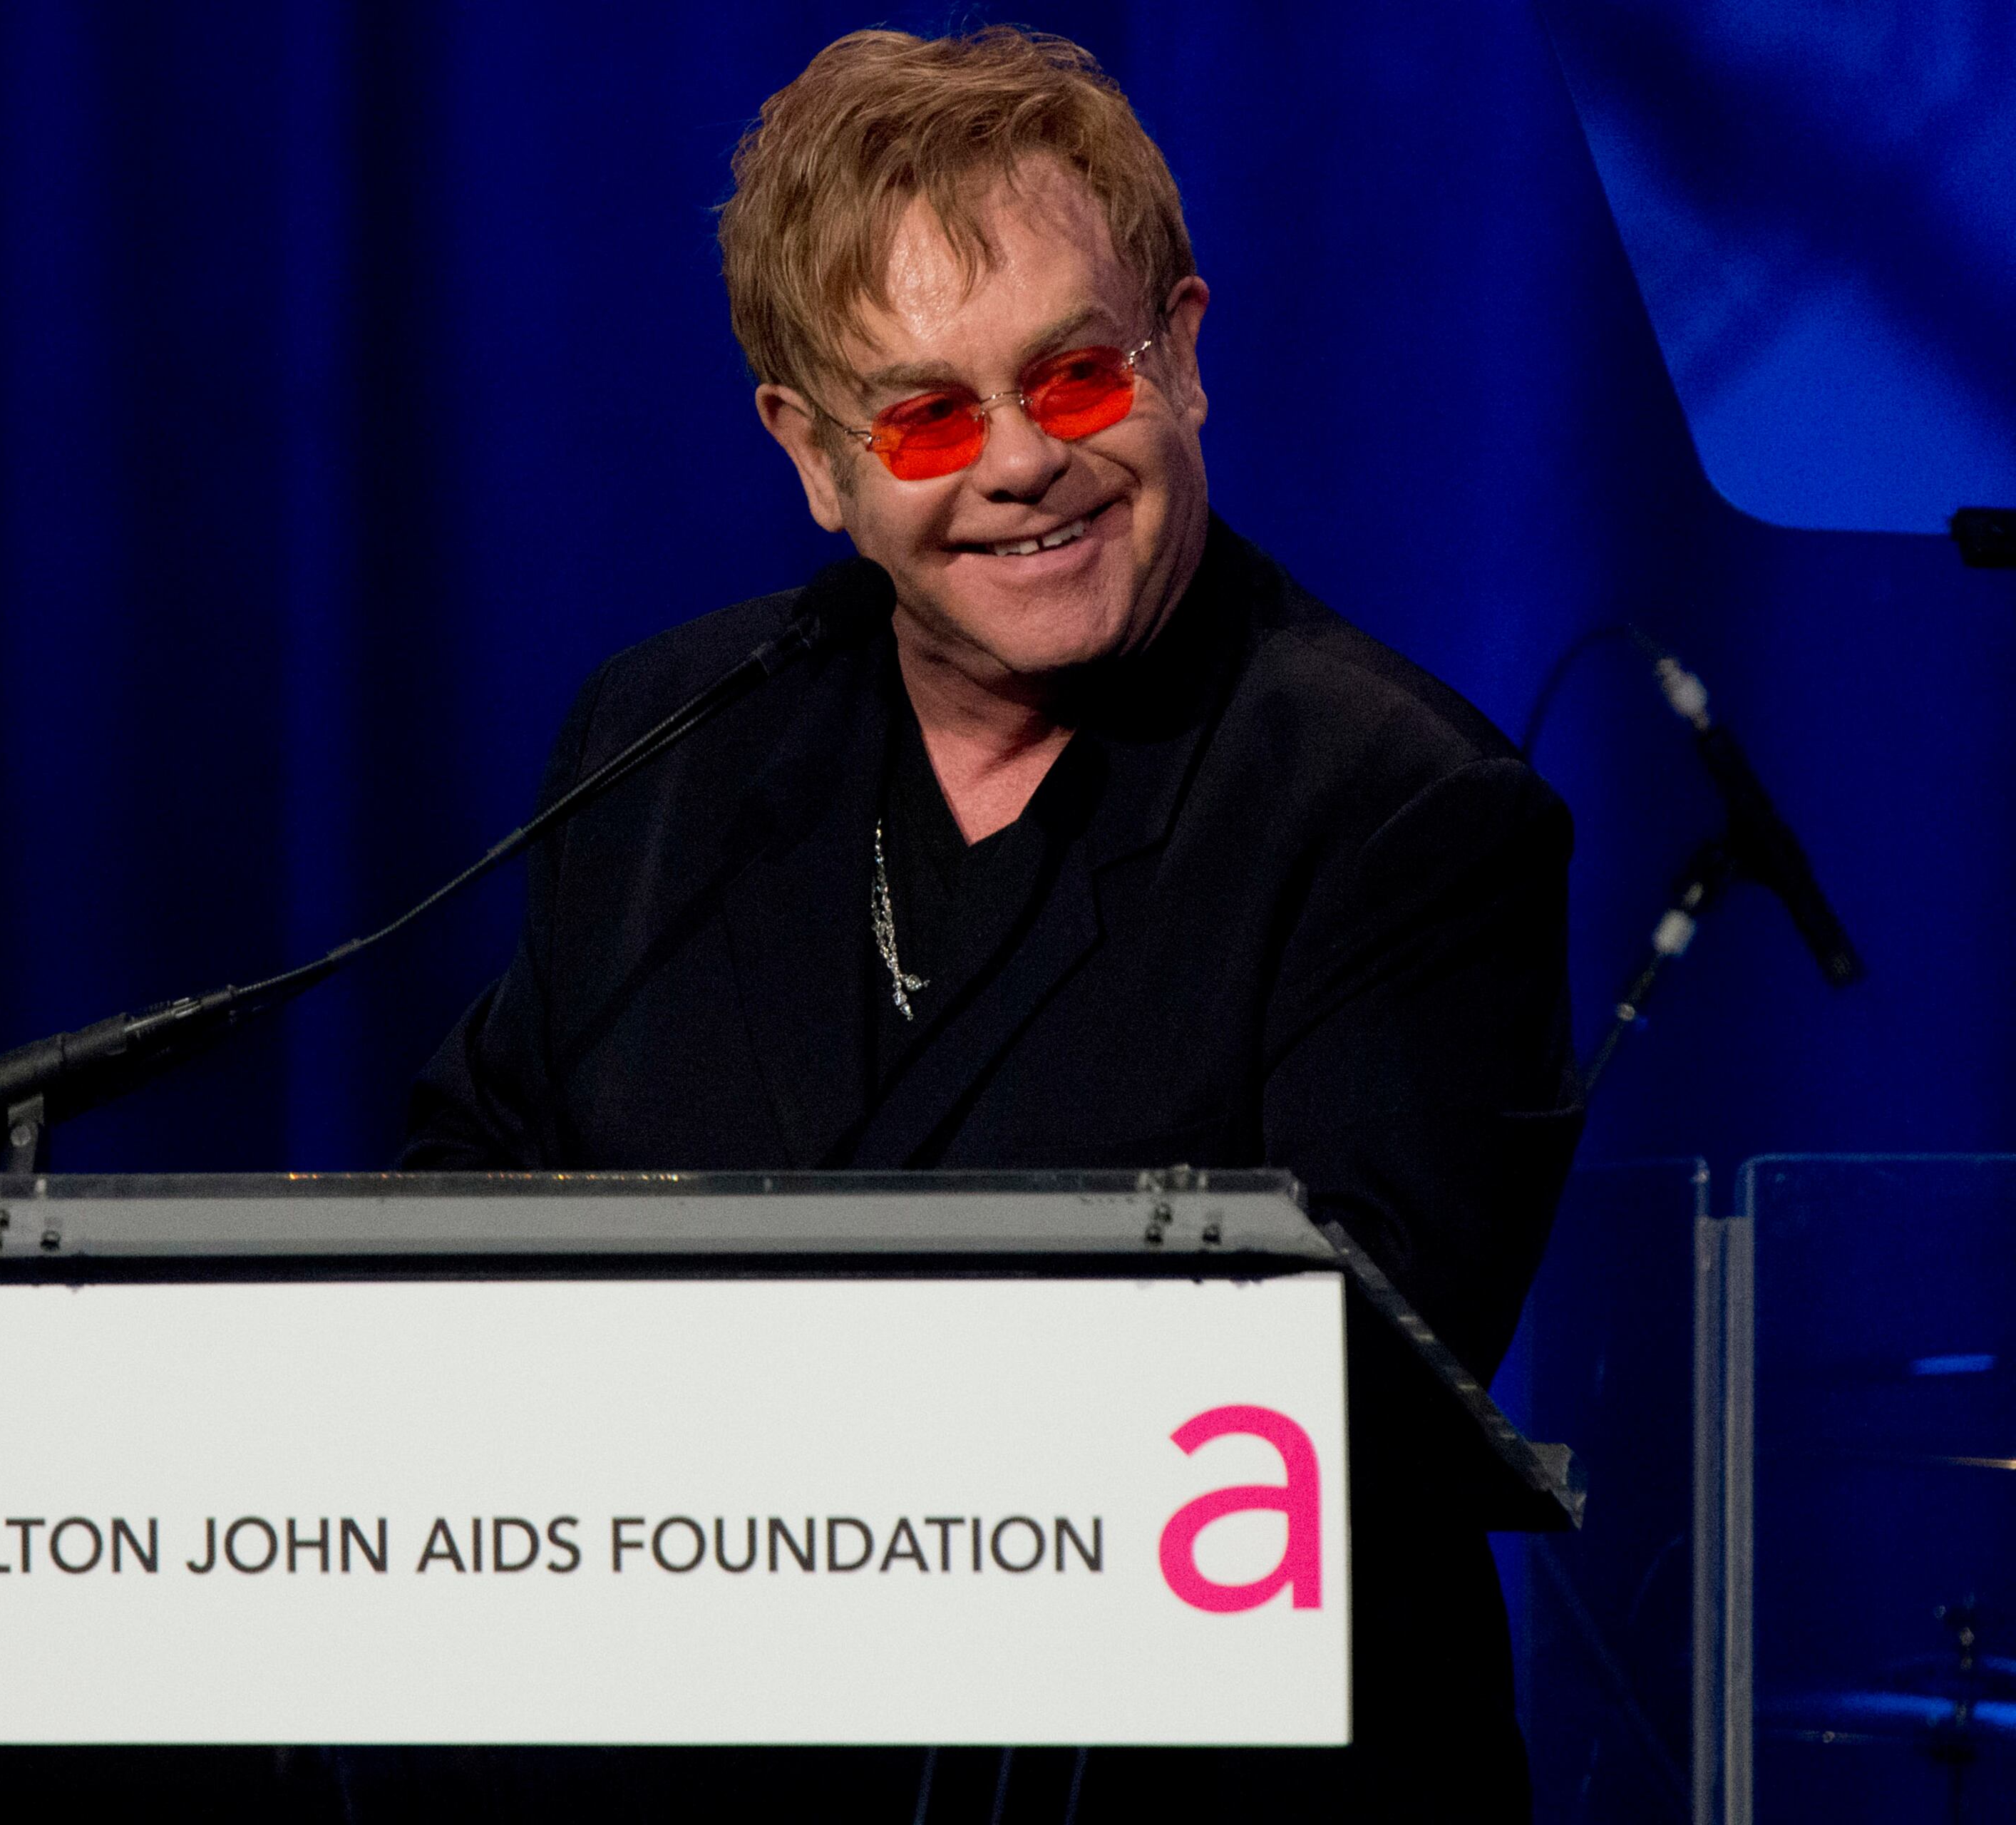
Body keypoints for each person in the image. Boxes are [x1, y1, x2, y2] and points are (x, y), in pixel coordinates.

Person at [403, 25, 1579, 1818]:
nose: (1022, 460)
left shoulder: (1400, 812)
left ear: (1183, 351)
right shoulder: (663, 748)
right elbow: (467, 1211)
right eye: (930, 412)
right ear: (813, 456)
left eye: (1080, 376)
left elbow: (1326, 1427)